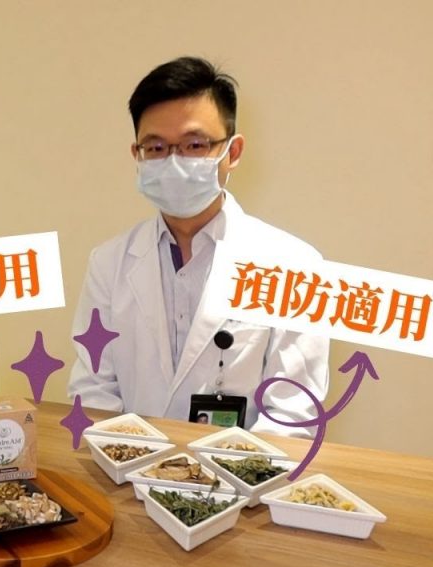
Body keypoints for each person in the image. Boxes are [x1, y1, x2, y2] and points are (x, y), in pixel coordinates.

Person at [67, 57, 328, 438]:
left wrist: (228, 469)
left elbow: (293, 411)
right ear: (137, 155)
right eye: (156, 147)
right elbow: (93, 390)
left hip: (239, 473)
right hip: (126, 467)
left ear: (232, 152)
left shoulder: (295, 266)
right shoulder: (108, 263)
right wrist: (128, 458)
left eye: (194, 145)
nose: (174, 162)